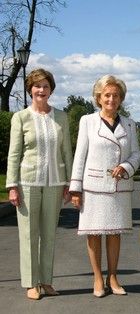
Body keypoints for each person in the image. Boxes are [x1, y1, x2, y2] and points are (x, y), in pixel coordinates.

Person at [70, 75, 140, 298]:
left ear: (121, 98)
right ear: (98, 97)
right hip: (93, 187)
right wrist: (75, 188)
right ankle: (98, 278)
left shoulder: (129, 124)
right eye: (107, 95)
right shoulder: (87, 121)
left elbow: (137, 153)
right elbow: (80, 154)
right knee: (93, 234)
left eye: (116, 95)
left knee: (114, 234)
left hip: (119, 188)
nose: (111, 99)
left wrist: (126, 166)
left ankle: (113, 277)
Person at [6, 68, 73, 300]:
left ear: (51, 89)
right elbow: (14, 154)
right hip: (27, 183)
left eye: (45, 86)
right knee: (28, 234)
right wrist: (12, 186)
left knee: (49, 234)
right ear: (30, 89)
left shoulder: (62, 117)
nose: (41, 90)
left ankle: (46, 281)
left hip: (55, 182)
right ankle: (31, 283)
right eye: (37, 86)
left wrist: (69, 184)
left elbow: (67, 152)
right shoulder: (20, 117)